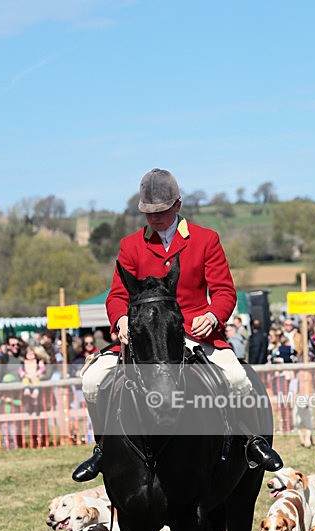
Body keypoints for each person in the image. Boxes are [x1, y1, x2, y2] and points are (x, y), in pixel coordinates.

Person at [73, 168, 282, 481]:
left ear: (178, 205)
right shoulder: (131, 245)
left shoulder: (206, 239)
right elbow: (117, 295)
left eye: (161, 211)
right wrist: (120, 319)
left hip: (195, 332)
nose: (155, 219)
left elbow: (224, 291)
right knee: (91, 379)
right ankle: (103, 447)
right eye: (149, 213)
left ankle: (251, 441)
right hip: (145, 337)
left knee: (238, 379)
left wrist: (213, 315)